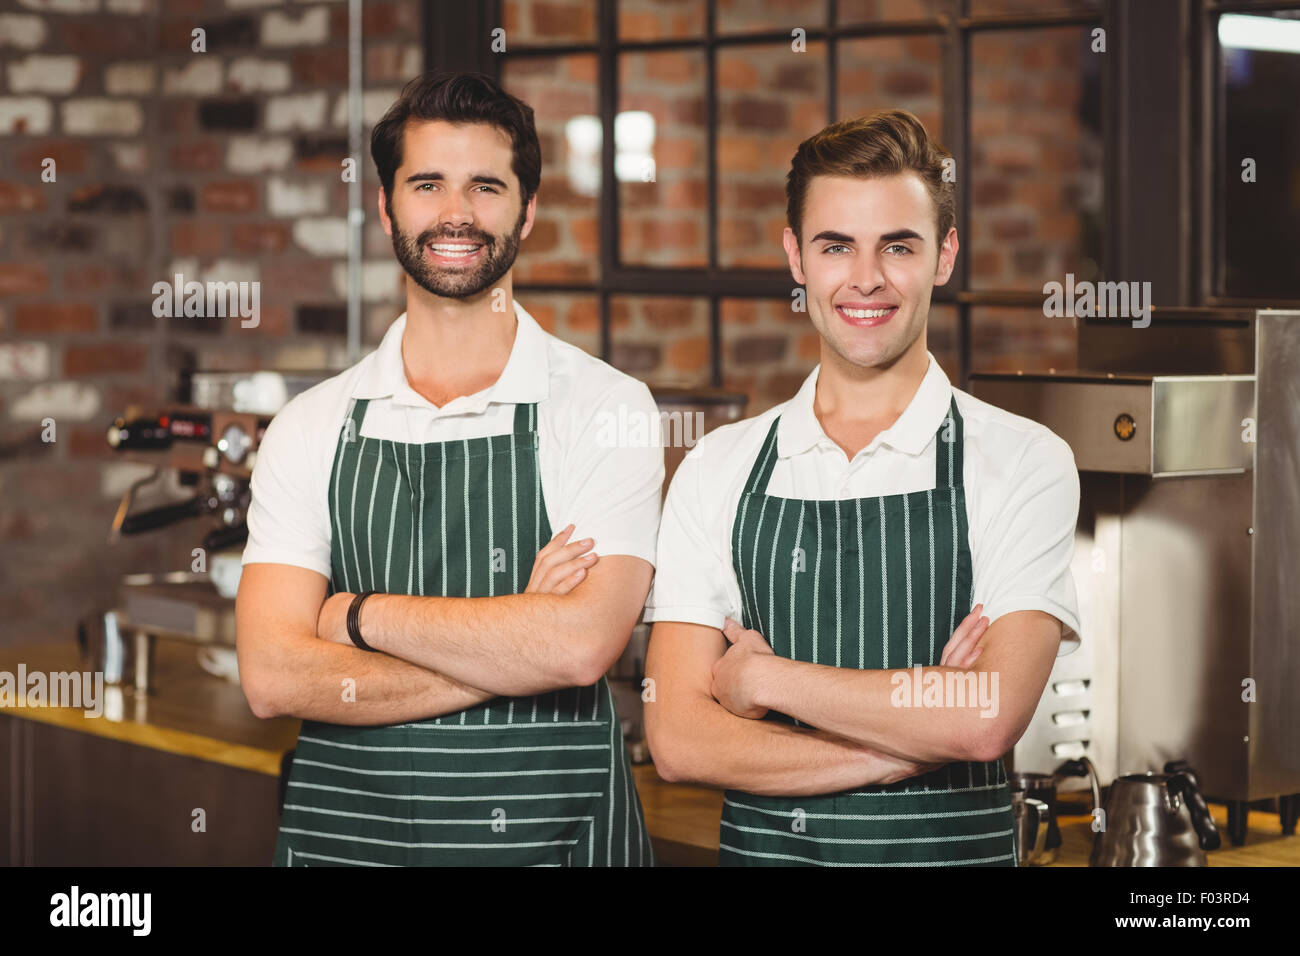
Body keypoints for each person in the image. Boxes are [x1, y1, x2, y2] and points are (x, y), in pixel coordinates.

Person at [236, 72, 661, 866]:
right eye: (427, 184)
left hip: (559, 844)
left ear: (527, 211)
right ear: (387, 205)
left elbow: (577, 649)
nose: (456, 214)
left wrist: (355, 618)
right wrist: (513, 647)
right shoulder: (312, 424)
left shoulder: (606, 404)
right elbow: (271, 675)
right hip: (349, 846)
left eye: (486, 187)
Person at [643, 109, 1081, 867]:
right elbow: (679, 740)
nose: (866, 278)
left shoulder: (1024, 460)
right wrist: (909, 743)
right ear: (796, 257)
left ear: (945, 255)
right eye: (836, 245)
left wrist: (765, 679)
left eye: (898, 246)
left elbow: (983, 722)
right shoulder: (718, 468)